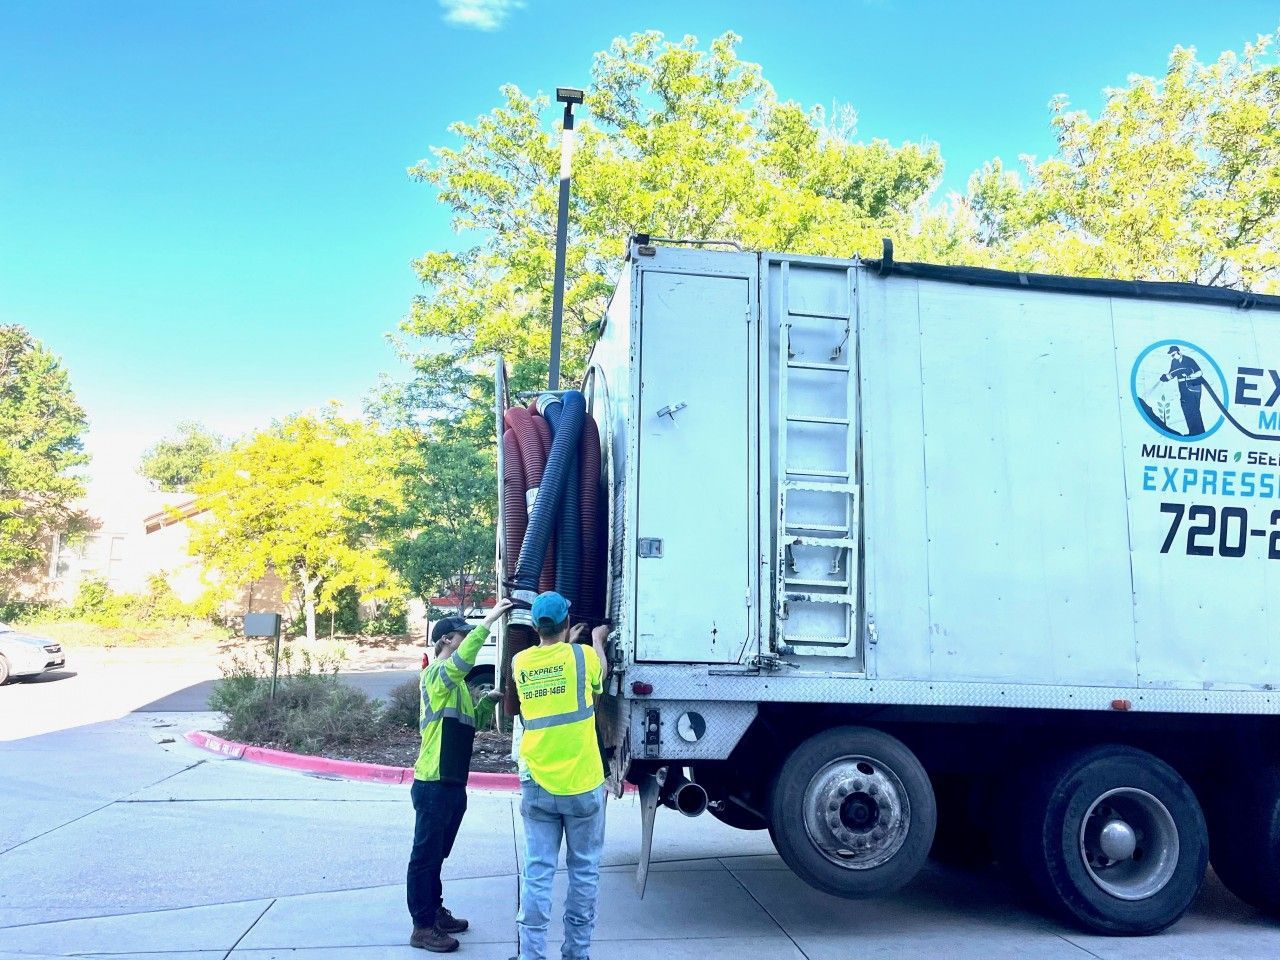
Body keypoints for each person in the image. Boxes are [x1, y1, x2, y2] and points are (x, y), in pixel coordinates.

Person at [407, 598, 513, 953]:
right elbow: (464, 658)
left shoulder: (458, 689)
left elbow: (472, 726)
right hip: (434, 782)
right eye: (461, 636)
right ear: (445, 642)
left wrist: (487, 703)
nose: (466, 640)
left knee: (436, 855)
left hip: (452, 783)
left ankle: (435, 911)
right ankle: (422, 927)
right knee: (424, 857)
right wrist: (491, 619)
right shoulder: (437, 675)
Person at [511, 591, 610, 960]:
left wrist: (564, 642)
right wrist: (596, 640)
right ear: (568, 624)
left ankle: (531, 954)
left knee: (538, 871)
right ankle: (576, 953)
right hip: (582, 783)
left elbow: (550, 669)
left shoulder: (520, 663)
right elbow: (600, 676)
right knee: (583, 871)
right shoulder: (583, 655)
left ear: (536, 626)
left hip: (537, 781)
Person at [1161, 345, 1206, 436]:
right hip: (1183, 388)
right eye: (1172, 355)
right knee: (1186, 409)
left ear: (1179, 352)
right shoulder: (1174, 362)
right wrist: (1165, 377)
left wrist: (1189, 375)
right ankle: (1193, 432)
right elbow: (1172, 373)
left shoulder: (1189, 360)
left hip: (1193, 387)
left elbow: (1199, 372)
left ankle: (1199, 432)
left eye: (1174, 354)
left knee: (1193, 409)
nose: (1173, 357)